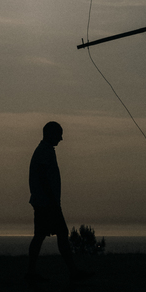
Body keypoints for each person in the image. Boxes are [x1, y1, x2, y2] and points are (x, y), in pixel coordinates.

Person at [26, 121, 91, 282]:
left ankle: (33, 272)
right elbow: (43, 178)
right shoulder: (44, 152)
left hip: (45, 202)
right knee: (56, 234)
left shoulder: (45, 150)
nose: (61, 138)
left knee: (45, 235)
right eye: (59, 134)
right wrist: (52, 201)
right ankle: (71, 272)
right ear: (51, 134)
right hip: (46, 203)